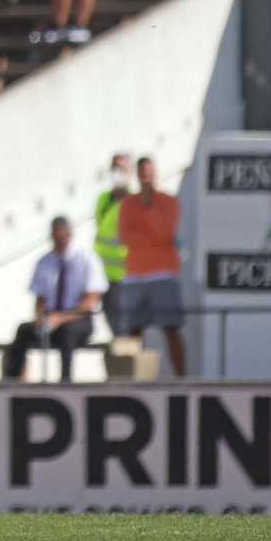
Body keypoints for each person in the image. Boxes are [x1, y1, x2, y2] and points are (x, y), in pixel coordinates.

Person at [3, 216, 107, 383]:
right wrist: (40, 317)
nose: (59, 242)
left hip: (78, 319)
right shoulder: (44, 262)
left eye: (62, 237)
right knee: (23, 331)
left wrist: (62, 318)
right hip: (51, 319)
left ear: (70, 235)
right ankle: (12, 380)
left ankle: (65, 382)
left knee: (68, 332)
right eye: (55, 238)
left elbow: (91, 301)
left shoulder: (87, 260)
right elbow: (40, 298)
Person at [117, 157, 187, 377]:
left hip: (163, 273)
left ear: (155, 173)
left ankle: (182, 379)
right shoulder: (127, 204)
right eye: (142, 173)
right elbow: (125, 236)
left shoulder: (169, 201)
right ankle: (132, 379)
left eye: (149, 173)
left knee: (171, 329)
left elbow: (165, 233)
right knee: (133, 331)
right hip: (135, 274)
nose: (145, 177)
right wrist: (152, 238)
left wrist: (150, 208)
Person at [93, 154, 131, 336]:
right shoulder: (103, 199)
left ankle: (129, 361)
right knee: (109, 320)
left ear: (129, 172)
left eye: (121, 169)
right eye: (114, 168)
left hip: (124, 274)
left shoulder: (134, 202)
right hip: (102, 273)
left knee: (122, 325)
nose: (117, 173)